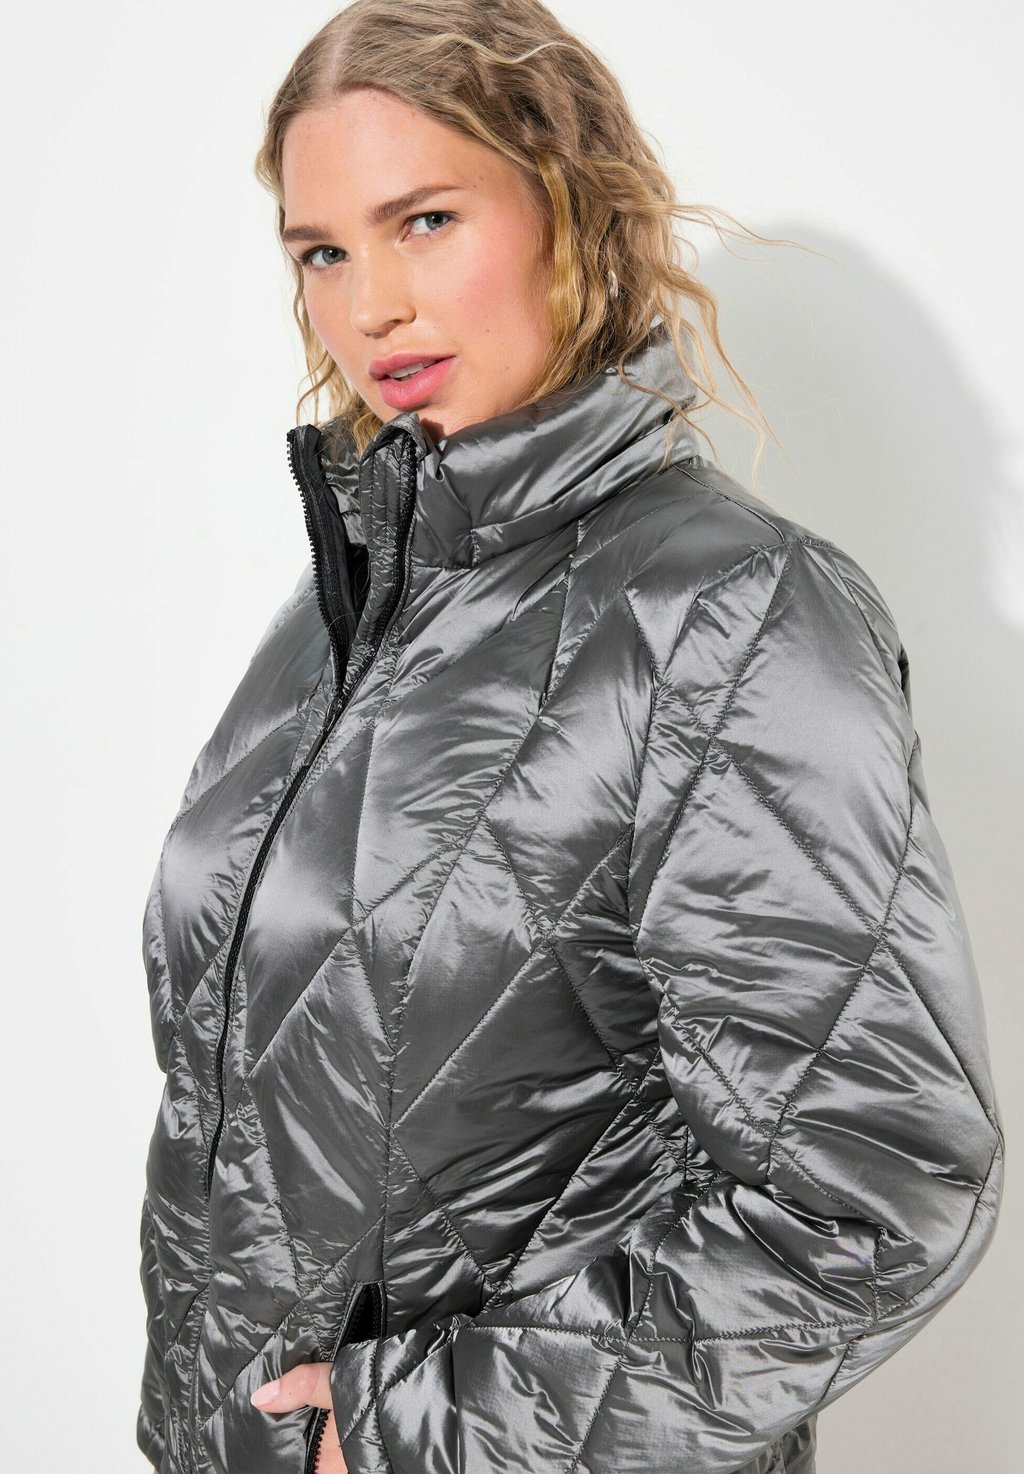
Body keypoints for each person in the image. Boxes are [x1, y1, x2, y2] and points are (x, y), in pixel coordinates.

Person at [136, 2, 1005, 1472]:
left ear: (568, 205)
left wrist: (419, 1433)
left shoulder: (732, 614)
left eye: (425, 221)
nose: (371, 305)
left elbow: (876, 1186)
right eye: (323, 252)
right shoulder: (349, 598)